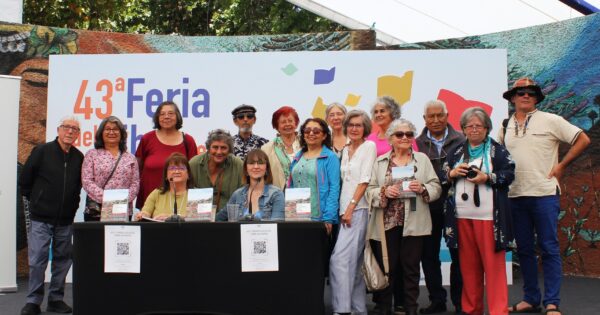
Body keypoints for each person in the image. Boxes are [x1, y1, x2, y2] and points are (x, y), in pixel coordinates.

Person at [500, 78, 590, 315]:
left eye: (531, 92)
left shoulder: (551, 119)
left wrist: (562, 166)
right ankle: (530, 298)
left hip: (544, 194)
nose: (526, 95)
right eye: (520, 92)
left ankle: (552, 303)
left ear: (538, 97)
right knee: (525, 249)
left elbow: (583, 139)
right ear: (512, 97)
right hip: (515, 195)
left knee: (549, 248)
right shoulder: (504, 125)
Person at [443, 107, 515, 315]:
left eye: (478, 125)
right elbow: (443, 177)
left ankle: (498, 311)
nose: (474, 129)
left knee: (494, 269)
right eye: (469, 126)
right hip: (462, 218)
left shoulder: (498, 151)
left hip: (489, 218)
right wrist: (452, 173)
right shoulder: (456, 151)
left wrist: (487, 178)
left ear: (487, 128)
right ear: (463, 129)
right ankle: (471, 309)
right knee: (469, 268)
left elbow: (509, 174)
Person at [366, 118, 441, 315]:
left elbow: (436, 186)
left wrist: (423, 187)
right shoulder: (380, 162)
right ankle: (384, 308)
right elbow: (369, 190)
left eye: (409, 134)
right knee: (387, 268)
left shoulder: (422, 159)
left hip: (414, 221)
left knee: (411, 268)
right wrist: (384, 192)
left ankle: (410, 309)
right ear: (391, 138)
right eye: (400, 134)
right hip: (386, 223)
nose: (405, 138)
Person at [19, 116, 84, 315]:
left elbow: (77, 187)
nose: (70, 131)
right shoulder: (42, 151)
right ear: (58, 130)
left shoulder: (79, 157)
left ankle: (56, 299)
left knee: (63, 260)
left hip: (65, 220)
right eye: (66, 127)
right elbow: (25, 180)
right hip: (41, 218)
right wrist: (38, 201)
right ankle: (33, 301)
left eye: (75, 129)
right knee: (37, 259)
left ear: (78, 134)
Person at [415, 100, 464, 314]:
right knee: (429, 255)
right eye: (430, 116)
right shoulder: (415, 143)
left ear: (447, 116)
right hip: (428, 206)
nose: (435, 120)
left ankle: (461, 301)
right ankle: (437, 300)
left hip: (457, 207)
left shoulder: (461, 140)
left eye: (439, 116)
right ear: (424, 119)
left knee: (458, 255)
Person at [329, 110, 377, 315]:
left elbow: (364, 180)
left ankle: (341, 309)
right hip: (344, 211)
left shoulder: (369, 146)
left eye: (358, 125)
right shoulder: (345, 149)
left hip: (359, 209)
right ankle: (358, 309)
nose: (354, 128)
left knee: (338, 260)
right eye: (351, 125)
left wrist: (350, 208)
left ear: (365, 128)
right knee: (354, 263)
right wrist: (342, 210)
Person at [135, 101, 198, 209]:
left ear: (177, 116)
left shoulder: (188, 141)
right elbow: (136, 170)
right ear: (157, 118)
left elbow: (193, 172)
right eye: (162, 114)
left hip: (178, 203)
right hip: (148, 202)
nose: (166, 117)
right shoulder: (147, 139)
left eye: (171, 113)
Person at [288, 117, 340, 234]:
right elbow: (291, 186)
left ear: (324, 135)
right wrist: (290, 214)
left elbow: (334, 189)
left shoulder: (330, 157)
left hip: (319, 218)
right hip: (296, 217)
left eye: (316, 131)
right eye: (307, 131)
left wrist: (329, 217)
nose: (311, 133)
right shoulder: (297, 157)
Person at [82, 116, 139, 221]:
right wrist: (108, 199)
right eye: (108, 129)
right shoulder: (92, 154)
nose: (111, 132)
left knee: (120, 237)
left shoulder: (130, 158)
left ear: (121, 134)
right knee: (96, 238)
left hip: (123, 210)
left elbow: (135, 183)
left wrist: (122, 201)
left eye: (116, 129)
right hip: (97, 210)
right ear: (101, 133)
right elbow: (87, 181)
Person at [216, 149, 285, 221]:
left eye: (260, 163)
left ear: (266, 169)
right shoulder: (237, 194)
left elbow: (277, 225)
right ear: (246, 170)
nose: (256, 166)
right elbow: (217, 219)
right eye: (251, 163)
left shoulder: (276, 194)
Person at [189, 129, 244, 210]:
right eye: (215, 147)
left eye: (223, 148)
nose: (219, 152)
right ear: (208, 148)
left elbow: (244, 195)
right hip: (199, 218)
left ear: (229, 150)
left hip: (229, 219)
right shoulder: (194, 164)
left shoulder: (238, 165)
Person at [135, 153, 194, 221]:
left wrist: (169, 218)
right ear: (166, 175)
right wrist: (142, 215)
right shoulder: (157, 193)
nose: (177, 171)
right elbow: (146, 212)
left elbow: (199, 217)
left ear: (188, 174)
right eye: (172, 168)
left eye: (181, 168)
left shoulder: (196, 195)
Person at [261, 106, 302, 189]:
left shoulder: (306, 144)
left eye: (290, 121)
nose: (287, 124)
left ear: (296, 123)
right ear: (277, 126)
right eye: (283, 122)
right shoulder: (267, 149)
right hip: (278, 196)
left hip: (306, 194)